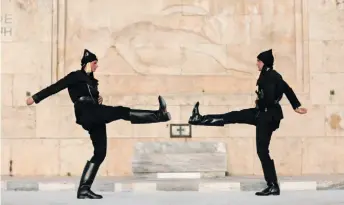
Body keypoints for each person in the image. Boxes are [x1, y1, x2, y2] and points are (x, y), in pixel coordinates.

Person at [26, 49, 171, 199]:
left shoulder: (92, 81)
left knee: (100, 152)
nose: (97, 66)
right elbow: (55, 87)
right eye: (95, 63)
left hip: (95, 113)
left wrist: (97, 99)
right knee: (120, 111)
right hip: (87, 112)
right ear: (87, 63)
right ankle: (158, 115)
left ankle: (83, 190)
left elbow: (89, 95)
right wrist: (35, 98)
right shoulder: (75, 76)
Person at [188, 49, 307, 196]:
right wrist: (296, 106)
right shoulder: (272, 75)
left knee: (262, 151)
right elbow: (287, 90)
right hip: (262, 114)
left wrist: (262, 101)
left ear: (264, 63)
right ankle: (199, 119)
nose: (256, 63)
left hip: (266, 117)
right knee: (234, 116)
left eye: (258, 61)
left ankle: (273, 185)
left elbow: (271, 97)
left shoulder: (270, 77)